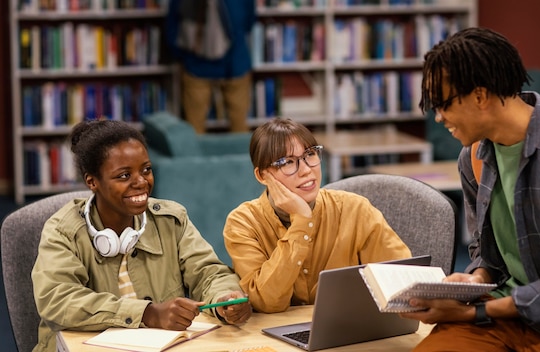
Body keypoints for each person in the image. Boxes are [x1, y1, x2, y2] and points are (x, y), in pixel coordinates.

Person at [399, 27, 540, 351]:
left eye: (443, 104)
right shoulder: (473, 157)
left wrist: (472, 312)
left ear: (479, 96)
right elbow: (485, 252)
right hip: (502, 315)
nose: (438, 117)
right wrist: (475, 280)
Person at [31, 120, 252, 352]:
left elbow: (209, 272)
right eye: (124, 175)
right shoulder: (62, 231)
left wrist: (224, 299)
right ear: (92, 181)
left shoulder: (171, 219)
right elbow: (57, 299)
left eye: (146, 170)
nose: (141, 182)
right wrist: (147, 313)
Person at [223, 118, 412, 313]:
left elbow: (403, 279)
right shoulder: (243, 223)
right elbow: (266, 302)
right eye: (288, 162)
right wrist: (301, 223)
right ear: (263, 176)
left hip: (349, 331)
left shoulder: (355, 209)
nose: (306, 170)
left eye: (310, 154)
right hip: (273, 338)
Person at [165, 0, 256, 134]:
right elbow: (249, 22)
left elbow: (172, 29)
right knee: (239, 127)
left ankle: (196, 155)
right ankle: (242, 154)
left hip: (196, 65)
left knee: (194, 129)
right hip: (234, 63)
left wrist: (183, 56)